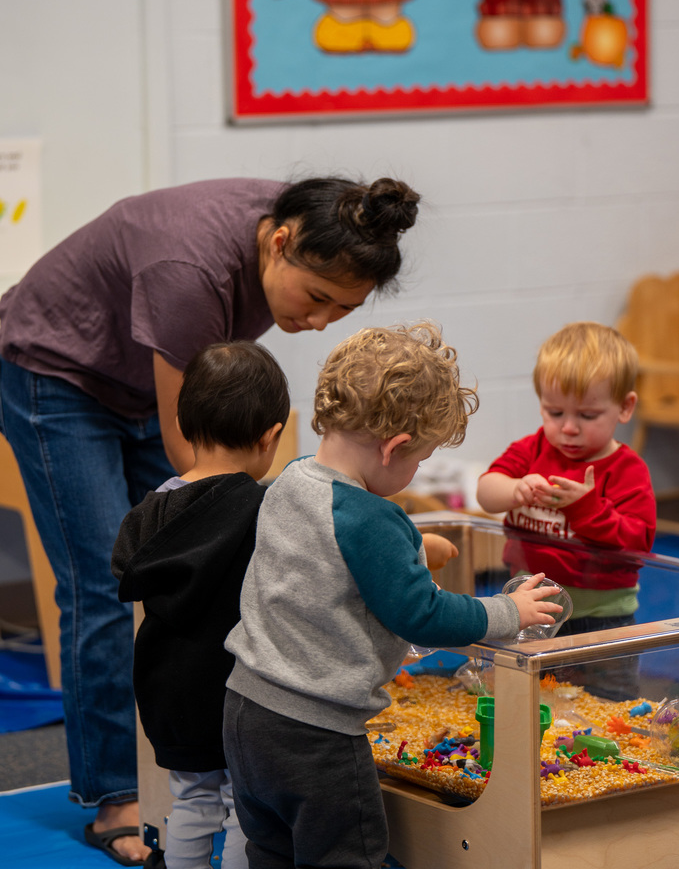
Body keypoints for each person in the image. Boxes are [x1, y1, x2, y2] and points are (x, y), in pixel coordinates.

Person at [0, 174, 419, 866]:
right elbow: (194, 452)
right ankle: (113, 791)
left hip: (141, 374)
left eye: (341, 311)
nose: (318, 324)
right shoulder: (190, 270)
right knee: (105, 583)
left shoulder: (317, 218)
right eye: (316, 300)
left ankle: (205, 764)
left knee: (208, 564)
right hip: (58, 369)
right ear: (279, 243)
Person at [223, 322, 563, 869]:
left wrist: (411, 546)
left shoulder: (290, 480)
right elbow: (421, 614)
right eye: (420, 459)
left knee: (273, 850)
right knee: (346, 855)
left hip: (246, 711)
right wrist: (506, 612)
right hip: (318, 734)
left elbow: (326, 562)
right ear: (395, 447)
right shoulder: (372, 518)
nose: (415, 471)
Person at [111, 340, 290, 869]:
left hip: (167, 690)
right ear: (270, 437)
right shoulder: (265, 509)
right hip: (240, 690)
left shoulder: (146, 514)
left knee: (190, 799)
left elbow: (124, 567)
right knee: (244, 806)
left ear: (184, 428)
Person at [476, 321, 657, 698]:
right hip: (532, 610)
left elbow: (637, 542)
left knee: (607, 706)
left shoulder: (627, 470)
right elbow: (486, 493)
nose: (569, 428)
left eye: (588, 416)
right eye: (554, 412)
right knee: (529, 700)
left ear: (625, 408)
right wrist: (516, 489)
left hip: (604, 618)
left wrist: (586, 508)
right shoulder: (532, 450)